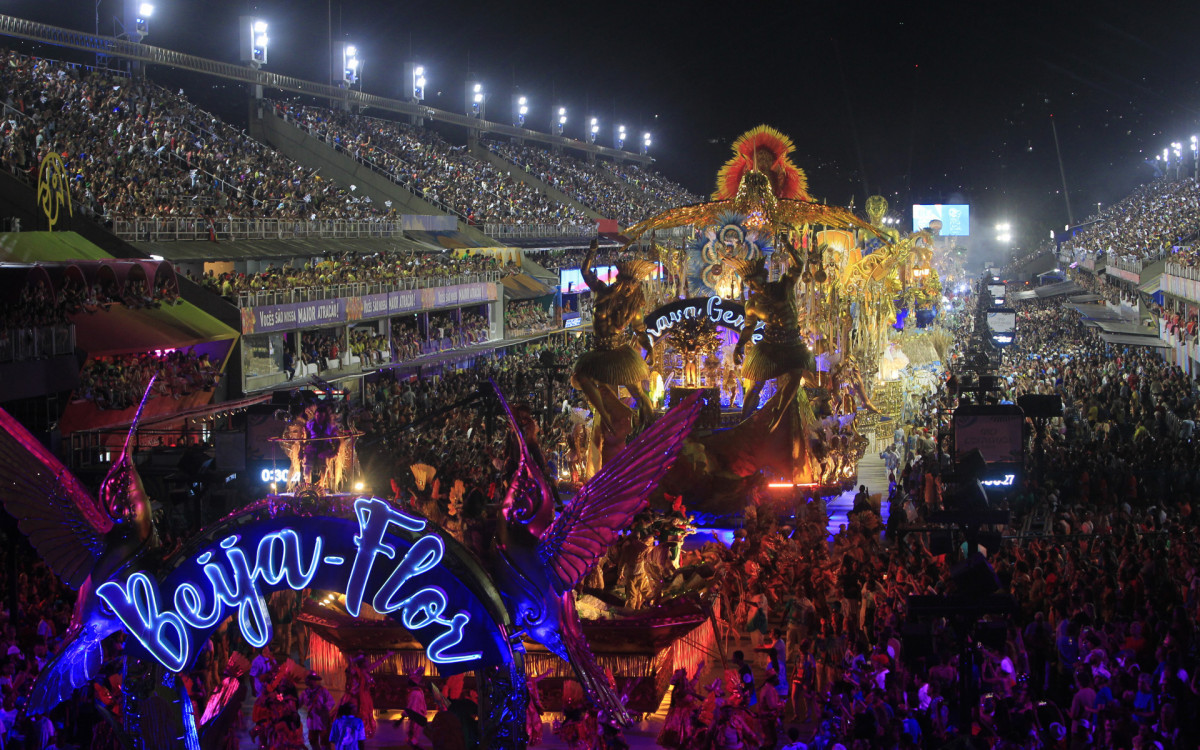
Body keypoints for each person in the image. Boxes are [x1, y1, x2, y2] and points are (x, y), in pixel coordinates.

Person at [570, 239, 658, 435]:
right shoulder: (602, 291)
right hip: (598, 350)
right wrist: (591, 252)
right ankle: (607, 420)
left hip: (618, 352)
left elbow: (641, 333)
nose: (629, 290)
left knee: (638, 393)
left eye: (633, 287)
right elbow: (585, 273)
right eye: (627, 285)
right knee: (583, 378)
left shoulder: (633, 309)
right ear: (620, 282)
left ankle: (647, 426)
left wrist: (650, 348)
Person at [301, 671, 334, 750]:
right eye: (308, 679)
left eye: (310, 679)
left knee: (324, 740)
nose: (308, 681)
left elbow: (331, 702)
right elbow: (298, 703)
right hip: (312, 720)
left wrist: (323, 708)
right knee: (312, 740)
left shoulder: (322, 691)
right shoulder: (305, 693)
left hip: (322, 719)